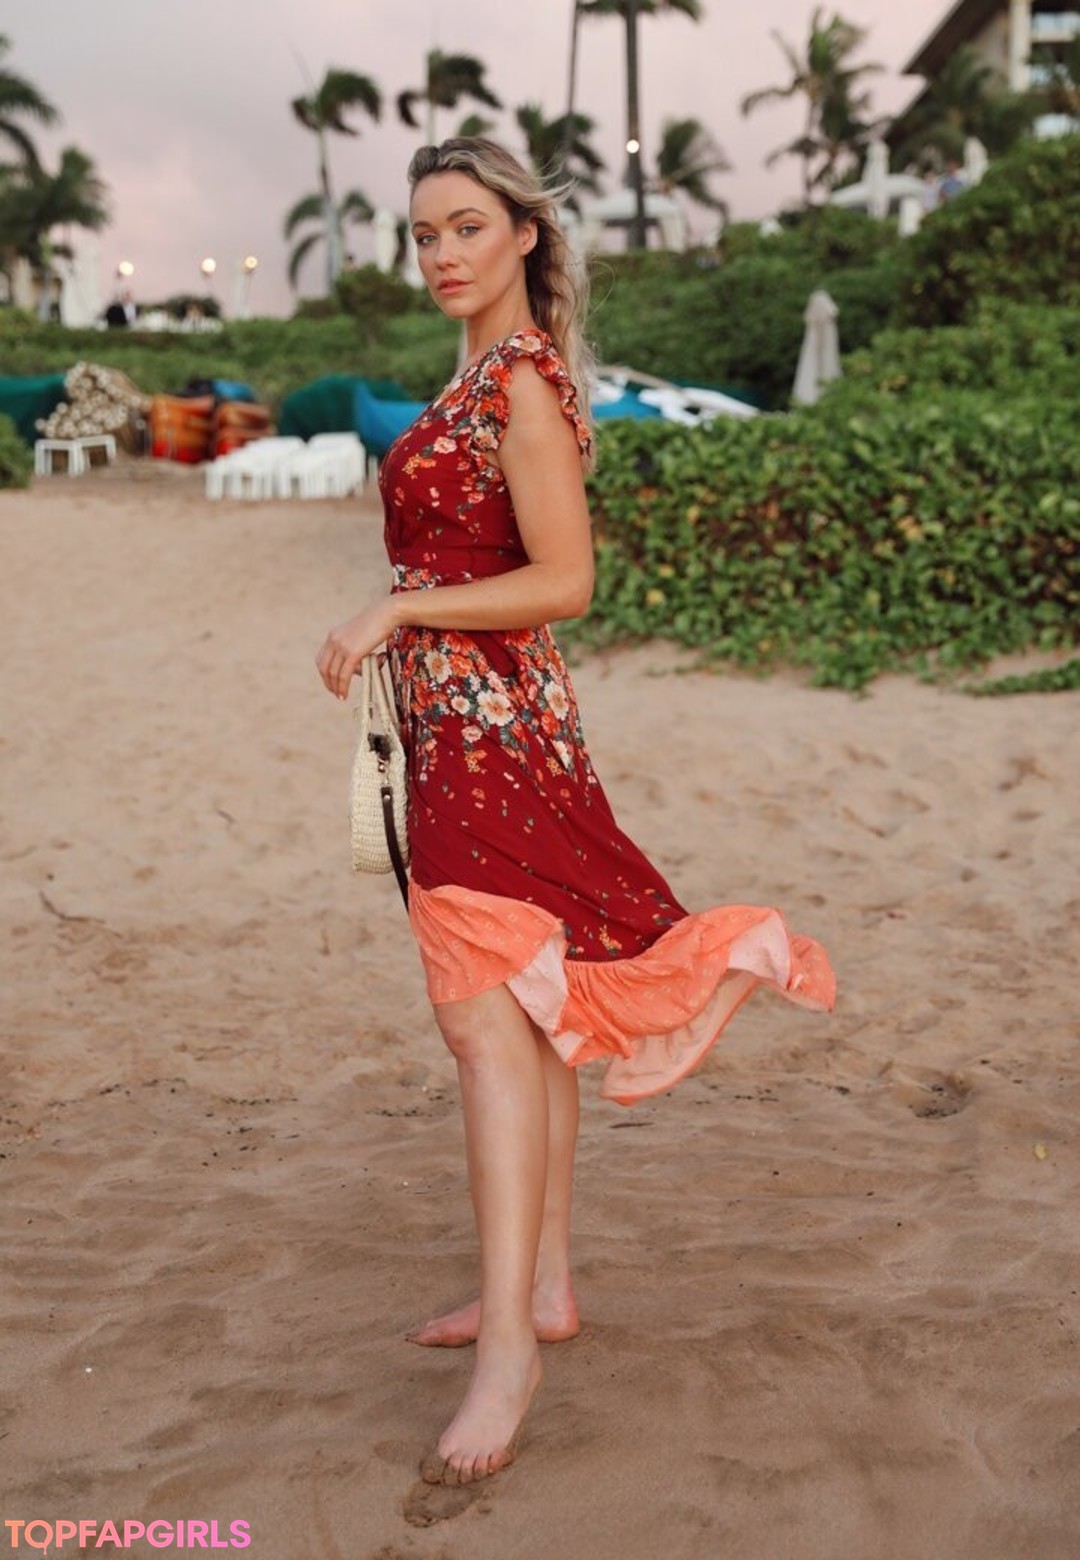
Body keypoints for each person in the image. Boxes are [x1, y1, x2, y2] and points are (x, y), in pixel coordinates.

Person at [315, 137, 836, 1489]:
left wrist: (397, 608)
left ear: (524, 238)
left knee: (483, 1028)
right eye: (423, 232)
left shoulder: (521, 383)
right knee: (521, 1018)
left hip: (497, 733)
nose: (441, 253)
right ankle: (539, 1289)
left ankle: (511, 1354)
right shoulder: (475, 376)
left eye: (466, 226)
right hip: (467, 729)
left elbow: (567, 581)